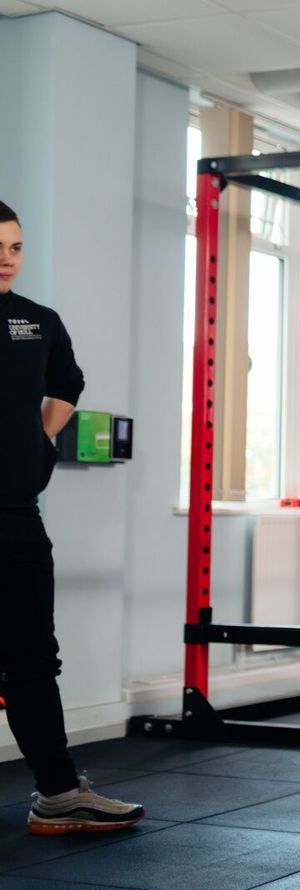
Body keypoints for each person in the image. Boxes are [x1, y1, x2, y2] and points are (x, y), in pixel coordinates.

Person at [0, 200, 145, 834]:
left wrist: (34, 438)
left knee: (33, 657)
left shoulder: (37, 320)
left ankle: (59, 795)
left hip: (16, 514)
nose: (7, 257)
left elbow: (68, 381)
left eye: (15, 246)